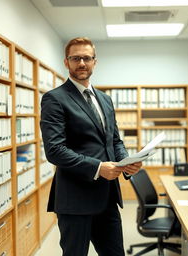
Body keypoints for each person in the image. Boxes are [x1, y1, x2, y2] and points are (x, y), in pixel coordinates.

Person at [40, 37, 142, 256]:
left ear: (95, 61)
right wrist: (98, 168)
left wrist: (127, 162)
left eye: (86, 58)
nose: (82, 63)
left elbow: (114, 140)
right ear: (66, 62)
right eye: (76, 58)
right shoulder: (55, 99)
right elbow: (55, 150)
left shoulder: (105, 99)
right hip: (75, 200)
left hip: (107, 198)